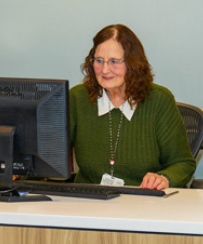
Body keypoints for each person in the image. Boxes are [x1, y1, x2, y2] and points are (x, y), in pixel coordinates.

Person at [70, 24, 196, 190]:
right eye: (99, 61)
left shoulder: (159, 100)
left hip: (143, 202)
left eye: (114, 62)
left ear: (132, 63)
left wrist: (164, 178)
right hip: (88, 201)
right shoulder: (78, 98)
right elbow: (49, 156)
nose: (105, 70)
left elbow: (183, 163)